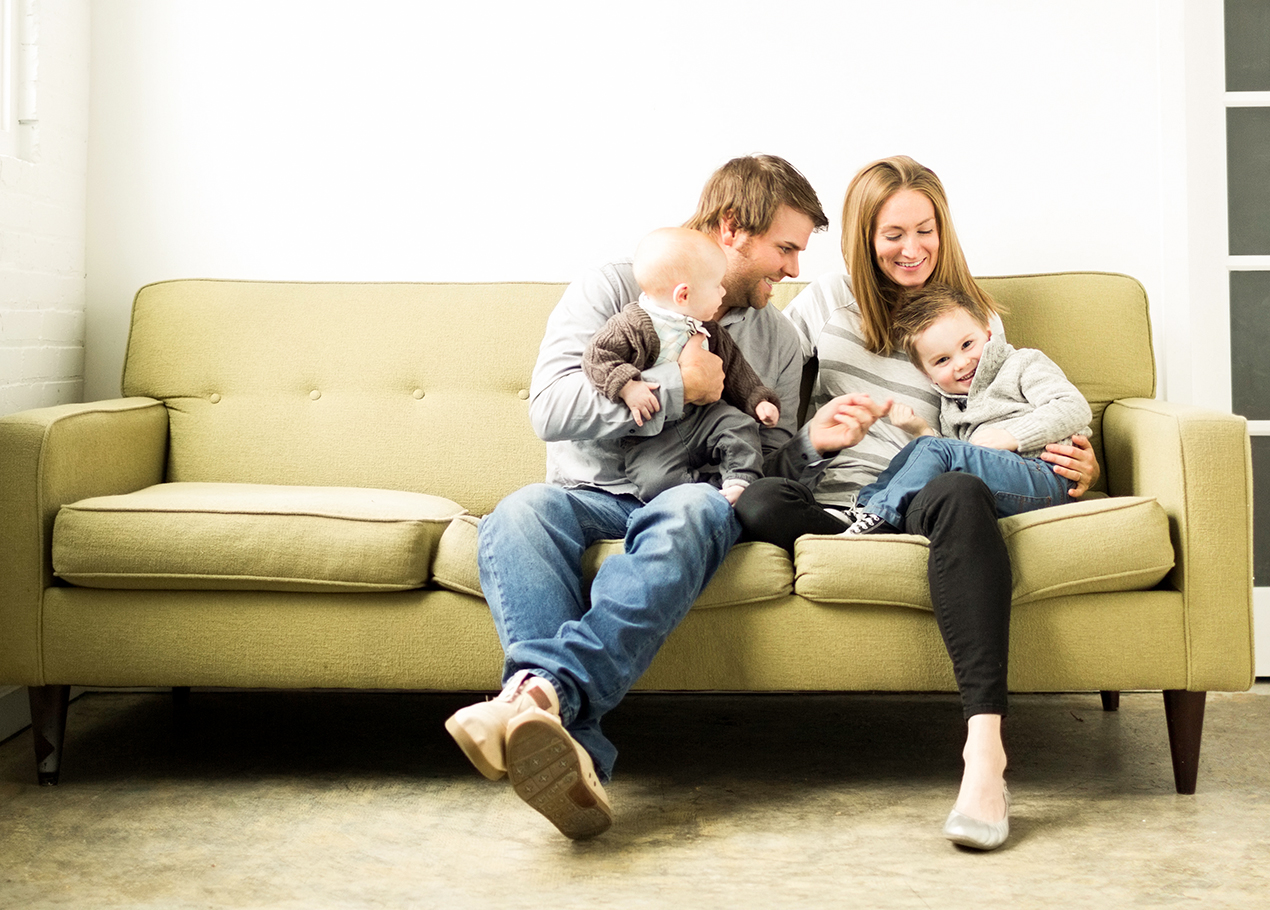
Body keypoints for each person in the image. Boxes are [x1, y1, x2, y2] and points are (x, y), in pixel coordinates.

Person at [445, 155, 881, 840]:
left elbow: (773, 470)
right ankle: (571, 744)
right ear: (733, 229)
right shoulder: (615, 287)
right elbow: (552, 409)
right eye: (786, 247)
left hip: (690, 496)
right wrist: (680, 389)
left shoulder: (778, 338)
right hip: (589, 494)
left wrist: (812, 445)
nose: (795, 269)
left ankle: (533, 698)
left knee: (703, 510)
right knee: (518, 513)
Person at [734, 155, 1101, 851]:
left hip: (934, 498)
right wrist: (813, 439)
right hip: (839, 503)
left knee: (957, 487)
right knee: (758, 503)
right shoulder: (816, 306)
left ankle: (986, 753)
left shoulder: (973, 317)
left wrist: (1084, 457)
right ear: (860, 239)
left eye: (925, 230)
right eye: (892, 234)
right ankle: (860, 521)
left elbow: (1019, 416)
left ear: (944, 228)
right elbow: (772, 427)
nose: (912, 249)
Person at [841, 281, 1092, 536]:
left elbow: (1073, 406)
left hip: (1046, 474)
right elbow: (952, 461)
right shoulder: (950, 405)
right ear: (927, 374)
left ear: (988, 332)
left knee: (932, 449)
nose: (961, 363)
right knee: (917, 448)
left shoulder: (1022, 363)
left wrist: (1012, 436)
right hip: (986, 491)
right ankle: (864, 508)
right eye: (942, 360)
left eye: (967, 344)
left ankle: (881, 518)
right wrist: (920, 429)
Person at [582, 226, 782, 506]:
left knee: (738, 425)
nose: (723, 293)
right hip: (651, 436)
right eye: (717, 286)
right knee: (652, 478)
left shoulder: (707, 327)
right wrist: (628, 387)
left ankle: (740, 480)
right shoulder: (630, 325)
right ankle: (710, 492)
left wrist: (758, 400)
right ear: (684, 295)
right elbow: (597, 357)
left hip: (702, 417)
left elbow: (736, 367)